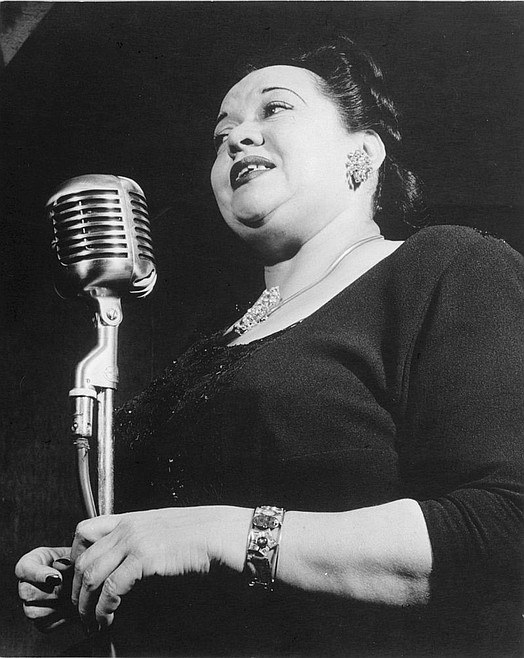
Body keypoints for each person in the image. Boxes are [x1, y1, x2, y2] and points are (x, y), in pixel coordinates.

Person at [16, 37, 523, 657]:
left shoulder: (447, 267)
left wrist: (218, 535)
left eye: (275, 108)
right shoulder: (212, 338)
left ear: (363, 153)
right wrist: (95, 568)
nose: (237, 137)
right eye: (221, 133)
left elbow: (504, 527)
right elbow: (174, 536)